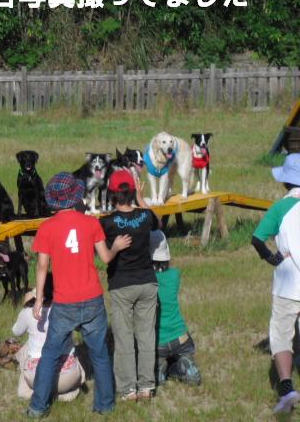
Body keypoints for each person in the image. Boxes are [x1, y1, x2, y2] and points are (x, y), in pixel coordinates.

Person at [27, 172, 131, 418]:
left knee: (50, 354)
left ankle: (37, 407)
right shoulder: (91, 223)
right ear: (75, 196)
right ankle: (106, 405)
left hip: (64, 302)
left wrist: (39, 298)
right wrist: (116, 247)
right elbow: (106, 257)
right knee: (100, 354)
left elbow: (42, 266)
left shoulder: (46, 228)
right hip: (92, 298)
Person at [99, 170, 159, 401]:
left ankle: (128, 389)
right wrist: (142, 200)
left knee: (124, 339)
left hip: (121, 285)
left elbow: (102, 252)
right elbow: (157, 222)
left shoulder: (106, 222)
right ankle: (146, 386)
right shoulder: (145, 216)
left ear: (112, 194)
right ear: (132, 192)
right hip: (147, 282)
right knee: (146, 336)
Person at [251, 153, 300, 413]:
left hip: (287, 282)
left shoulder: (280, 207)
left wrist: (272, 259)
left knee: (281, 336)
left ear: (285, 181)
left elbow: (257, 238)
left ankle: (286, 387)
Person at [13, 274, 86, 402]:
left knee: (25, 349)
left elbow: (16, 331)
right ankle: (65, 393)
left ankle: (36, 392)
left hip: (37, 377)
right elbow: (80, 327)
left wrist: (26, 305)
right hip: (68, 376)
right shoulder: (67, 309)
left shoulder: (28, 312)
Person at [151, 230, 201, 386]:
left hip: (158, 343)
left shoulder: (146, 281)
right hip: (181, 338)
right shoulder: (174, 275)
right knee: (183, 351)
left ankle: (160, 367)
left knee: (156, 356)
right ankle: (183, 363)